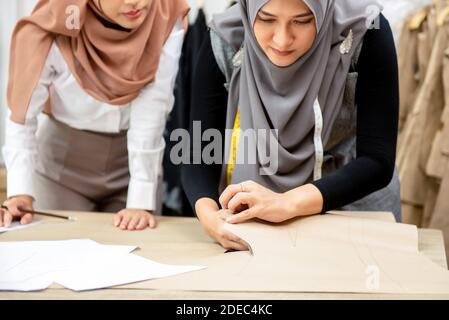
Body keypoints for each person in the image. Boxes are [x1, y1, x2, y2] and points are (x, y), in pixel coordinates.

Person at [183, 0, 400, 250]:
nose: (282, 39)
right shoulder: (226, 40)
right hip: (260, 219)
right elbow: (198, 151)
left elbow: (377, 159)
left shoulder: (364, 29)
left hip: (355, 209)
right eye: (266, 19)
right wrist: (210, 216)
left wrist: (288, 203)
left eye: (302, 20)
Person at [0, 0, 189, 231]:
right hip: (61, 171)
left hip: (136, 164)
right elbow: (23, 116)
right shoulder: (55, 21)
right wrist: (20, 192)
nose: (134, 1)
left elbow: (153, 106)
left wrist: (141, 197)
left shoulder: (165, 13)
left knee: (137, 257)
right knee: (57, 257)